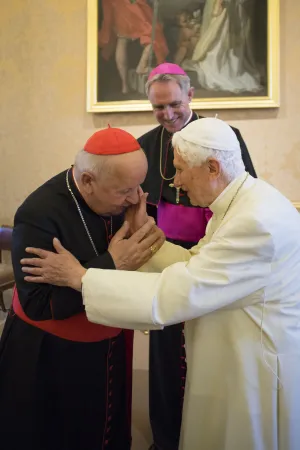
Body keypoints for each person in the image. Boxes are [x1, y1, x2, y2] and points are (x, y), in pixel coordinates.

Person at [22, 118, 300, 450]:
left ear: (212, 167)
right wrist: (146, 238)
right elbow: (199, 266)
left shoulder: (255, 222)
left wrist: (80, 277)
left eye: (180, 170)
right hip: (234, 345)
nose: (176, 183)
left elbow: (178, 293)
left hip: (251, 362)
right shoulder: (244, 202)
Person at [0, 126, 164, 450]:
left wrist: (138, 227)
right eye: (124, 191)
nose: (135, 198)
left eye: (138, 187)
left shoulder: (126, 202)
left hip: (109, 341)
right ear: (88, 181)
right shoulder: (38, 214)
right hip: (52, 354)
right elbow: (38, 304)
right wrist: (111, 263)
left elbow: (134, 258)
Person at [138, 62, 257, 450]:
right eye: (158, 107)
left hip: (216, 254)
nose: (167, 114)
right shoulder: (145, 144)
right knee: (165, 352)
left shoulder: (225, 136)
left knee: (211, 350)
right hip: (162, 258)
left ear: (190, 96)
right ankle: (166, 436)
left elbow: (242, 193)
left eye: (173, 103)